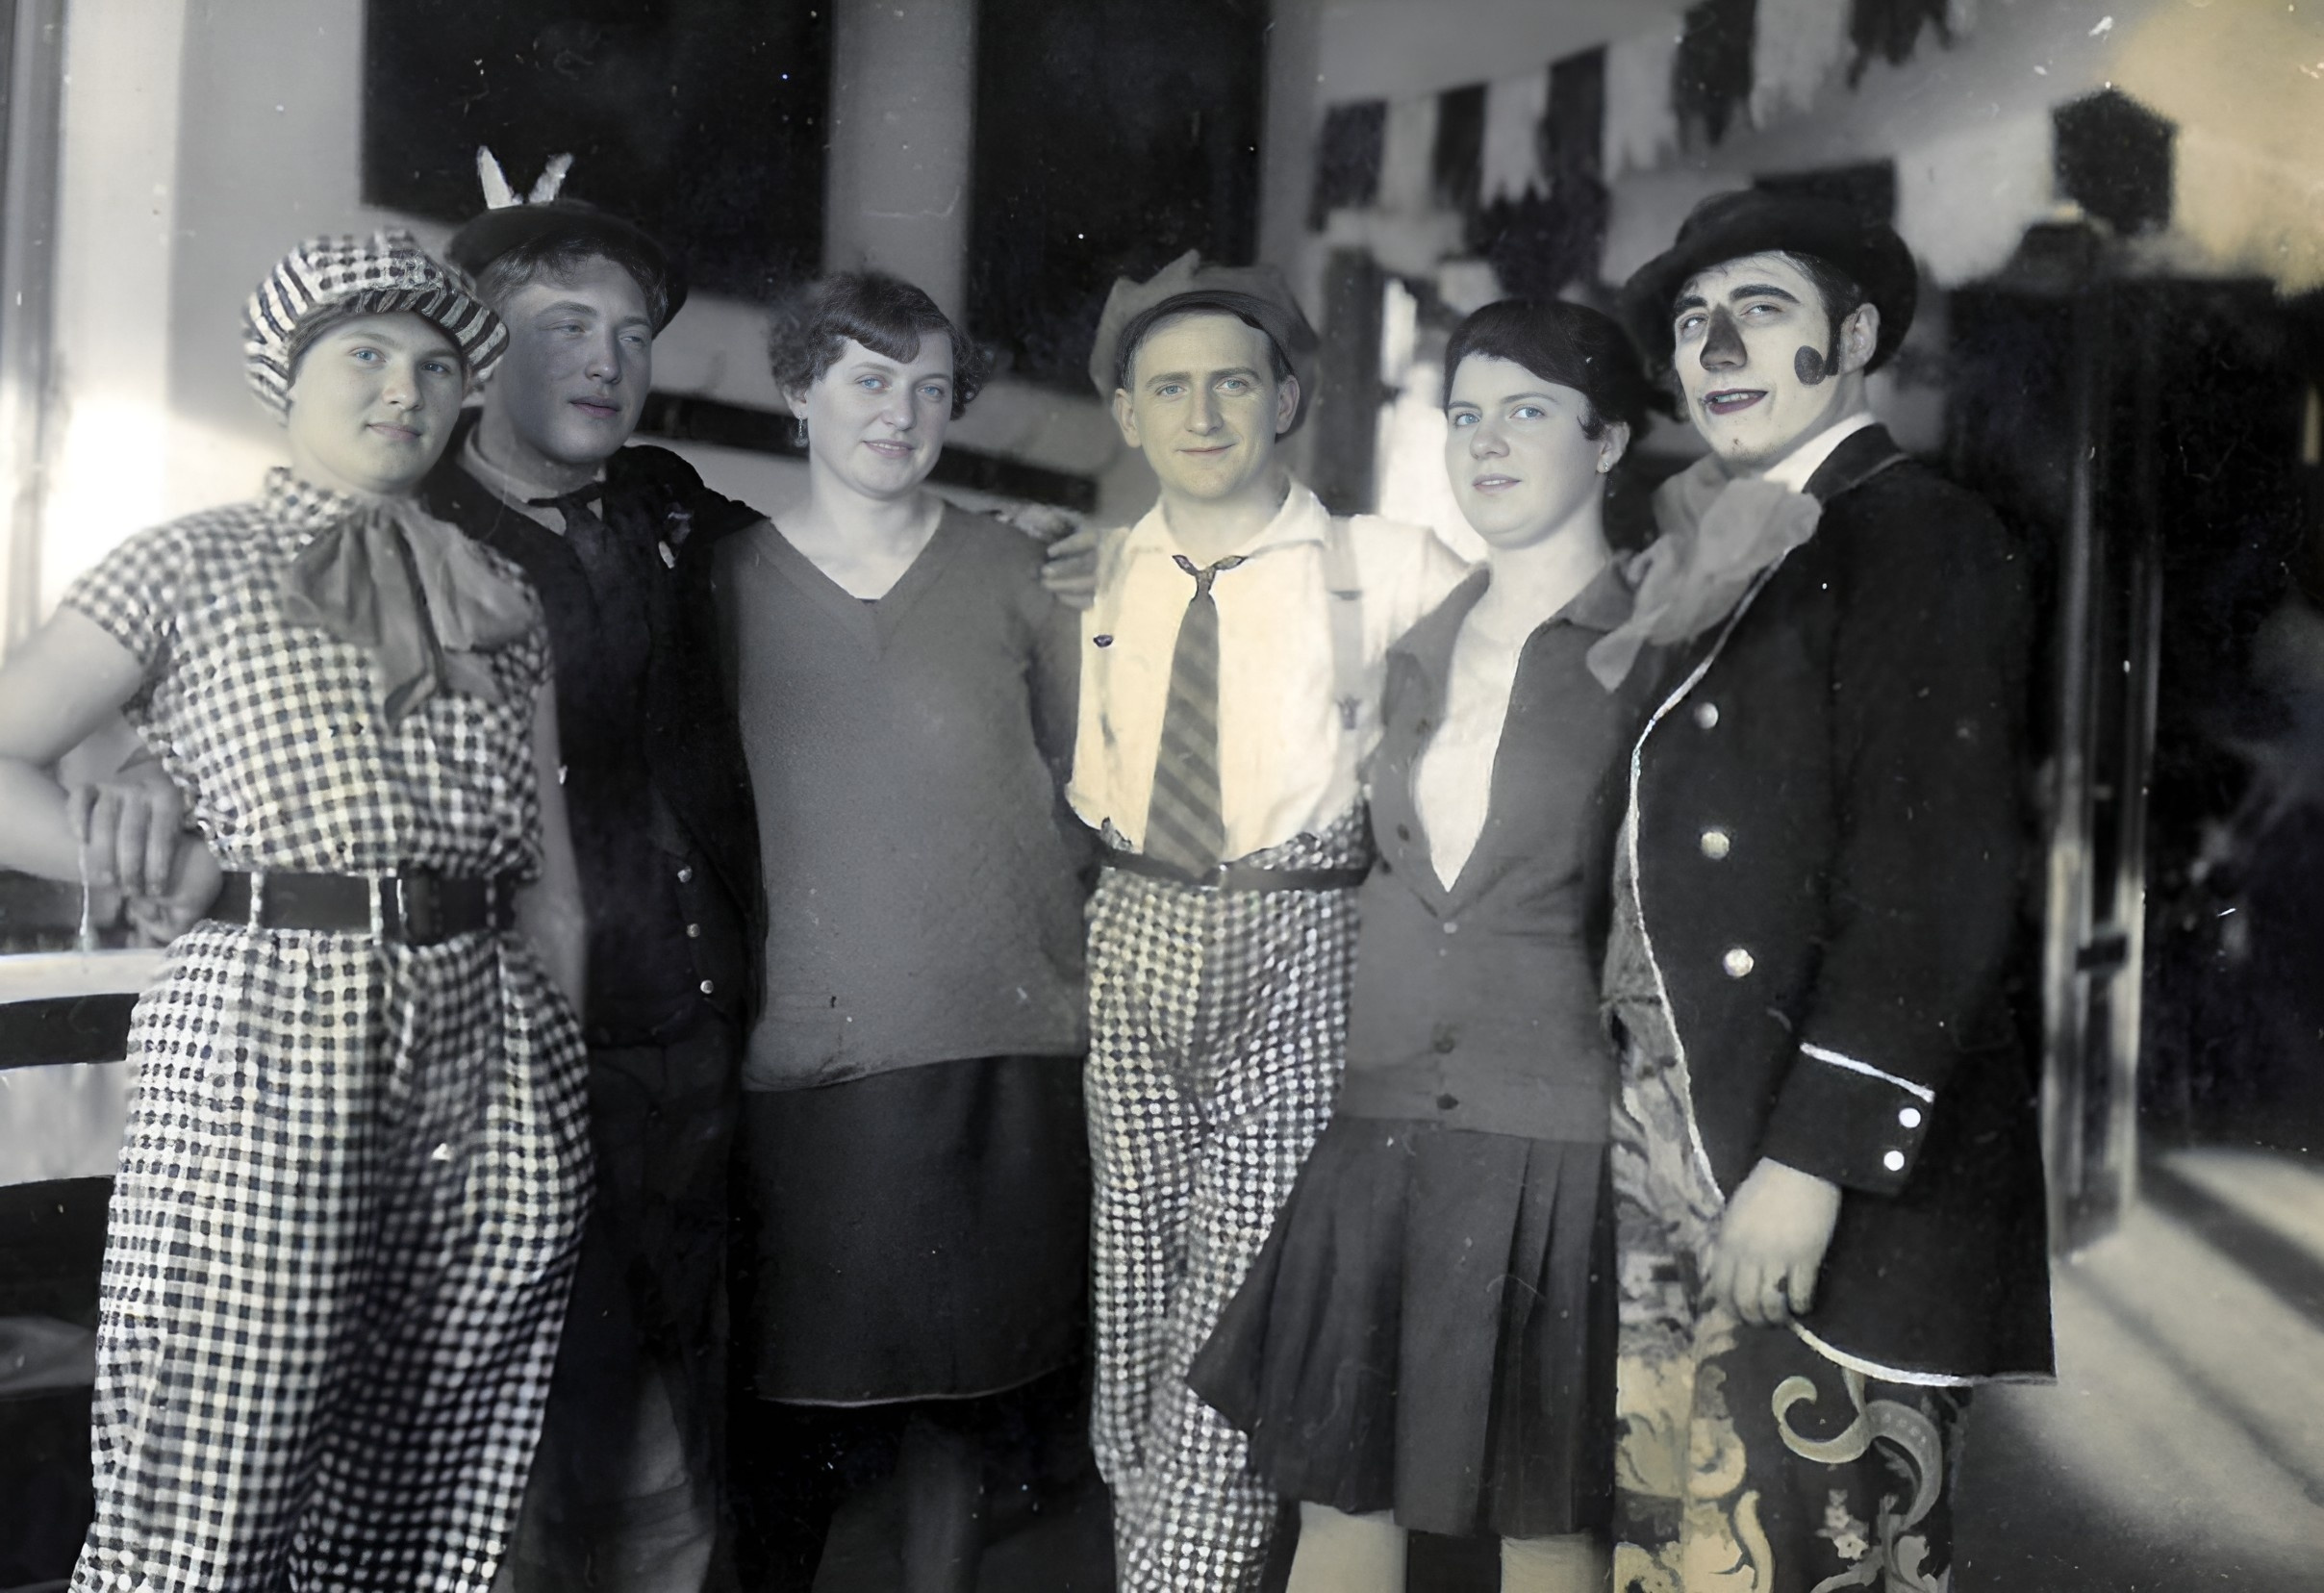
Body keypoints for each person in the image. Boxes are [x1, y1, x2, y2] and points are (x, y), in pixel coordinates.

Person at [0, 231, 591, 1591]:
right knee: (217, 1463)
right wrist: (174, 863)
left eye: (436, 366)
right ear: (288, 374)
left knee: (431, 1476)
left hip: (492, 1039)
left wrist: (560, 1090)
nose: (403, 389)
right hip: (271, 1022)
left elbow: (553, 883)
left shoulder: (500, 591)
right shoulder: (185, 562)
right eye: (366, 355)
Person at [1602, 190, 2053, 1591]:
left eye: (1762, 310)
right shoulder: (1708, 547)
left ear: (1856, 340)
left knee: (1797, 1552)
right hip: (1673, 1137)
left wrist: (1811, 1162)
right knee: (1673, 1552)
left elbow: (1935, 882)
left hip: (1805, 1159)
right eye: (1694, 321)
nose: (1718, 348)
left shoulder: (1919, 534)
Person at [1190, 298, 1655, 1593]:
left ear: (1609, 440)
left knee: (1550, 1523)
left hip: (1559, 1136)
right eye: (1464, 416)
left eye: (1528, 412)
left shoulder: (1661, 649)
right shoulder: (1414, 650)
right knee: (1343, 1505)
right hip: (1380, 1122)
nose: (1485, 443)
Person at [1071, 251, 1472, 1591]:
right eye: (1167, 389)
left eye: (1233, 385)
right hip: (1131, 932)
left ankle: (1173, 1577)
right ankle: (1156, 1556)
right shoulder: (1091, 578)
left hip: (1298, 941)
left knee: (1241, 1304)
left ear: (1286, 399)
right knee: (1131, 1294)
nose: (1201, 415)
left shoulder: (1390, 565)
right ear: (1126, 415)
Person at [710, 271, 1091, 1593]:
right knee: (787, 1410)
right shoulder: (723, 581)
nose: (901, 412)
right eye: (869, 380)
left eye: (932, 389)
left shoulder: (1021, 569)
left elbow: (1095, 787)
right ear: (798, 390)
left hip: (1000, 1041)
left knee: (968, 1404)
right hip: (804, 1049)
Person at [422, 152, 765, 1593]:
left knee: (676, 1427)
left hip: (690, 1038)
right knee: (509, 1441)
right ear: (479, 347)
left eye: (631, 334)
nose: (609, 362)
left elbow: (843, 566)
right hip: (508, 1057)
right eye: (566, 325)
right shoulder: (412, 527)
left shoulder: (669, 504)